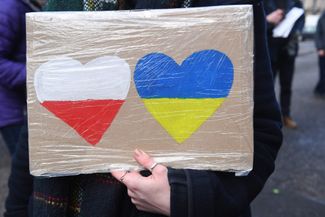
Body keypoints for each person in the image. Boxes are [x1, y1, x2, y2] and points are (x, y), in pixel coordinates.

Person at [28, 1, 283, 217]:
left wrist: (189, 198)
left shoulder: (222, 6)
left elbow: (261, 129)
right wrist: (16, 208)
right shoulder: (64, 5)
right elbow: (41, 127)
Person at [0, 0, 42, 156]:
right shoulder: (8, 9)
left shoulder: (29, 6)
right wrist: (38, 74)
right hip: (12, 111)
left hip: (25, 105)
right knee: (25, 170)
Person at [264, 0, 305, 129]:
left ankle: (286, 115)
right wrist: (268, 21)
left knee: (286, 86)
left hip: (288, 51)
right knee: (267, 88)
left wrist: (296, 33)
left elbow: (301, 22)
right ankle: (266, 119)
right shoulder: (264, 3)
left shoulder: (296, 3)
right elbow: (257, 26)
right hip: (270, 51)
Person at [315, 11, 325, 99]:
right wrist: (320, 48)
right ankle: (320, 89)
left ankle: (320, 87)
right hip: (323, 51)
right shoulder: (323, 17)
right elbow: (318, 33)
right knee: (323, 73)